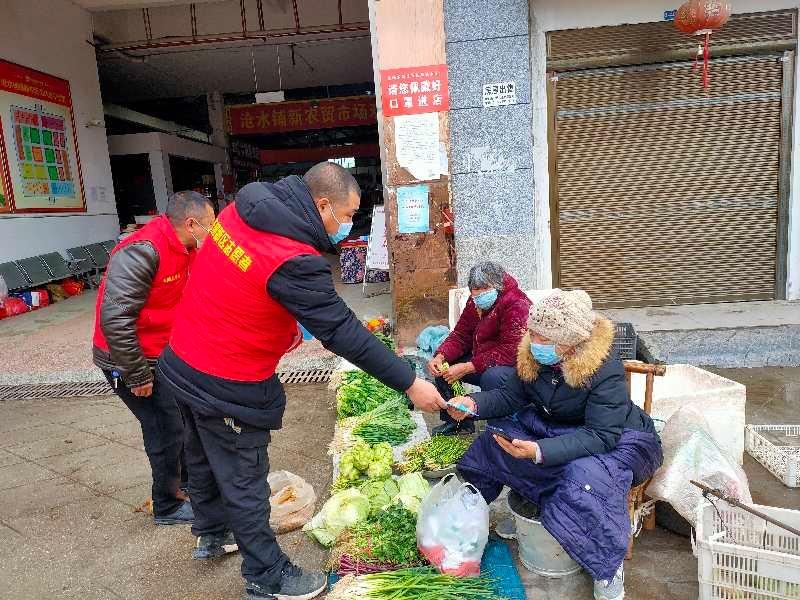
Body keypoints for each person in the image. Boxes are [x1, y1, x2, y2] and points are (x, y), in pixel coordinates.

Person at [158, 162, 447, 600]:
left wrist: (278, 316)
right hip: (226, 378)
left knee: (200, 457)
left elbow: (240, 277)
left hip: (183, 358)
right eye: (347, 215)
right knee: (244, 480)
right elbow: (343, 332)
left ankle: (211, 533)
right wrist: (409, 382)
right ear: (322, 204)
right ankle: (266, 576)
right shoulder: (292, 258)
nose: (348, 227)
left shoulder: (243, 207)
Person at [448, 289, 662, 600]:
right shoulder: (532, 356)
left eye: (540, 336)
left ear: (568, 342)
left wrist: (539, 452)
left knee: (585, 479)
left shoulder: (603, 368)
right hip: (558, 427)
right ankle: (496, 518)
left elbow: (602, 435)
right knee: (495, 441)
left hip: (619, 439)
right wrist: (473, 403)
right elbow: (510, 397)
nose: (532, 340)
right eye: (531, 333)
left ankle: (607, 566)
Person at [92, 190, 215, 526]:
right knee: (164, 428)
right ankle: (167, 505)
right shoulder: (143, 251)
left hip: (162, 353)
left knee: (183, 419)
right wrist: (137, 376)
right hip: (126, 360)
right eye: (210, 225)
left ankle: (188, 486)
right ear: (191, 224)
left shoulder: (187, 248)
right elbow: (115, 320)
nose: (213, 231)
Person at [427, 261, 531, 435]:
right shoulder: (476, 302)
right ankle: (460, 422)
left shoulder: (516, 303)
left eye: (484, 290)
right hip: (483, 359)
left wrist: (470, 367)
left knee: (492, 377)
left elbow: (512, 350)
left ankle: (501, 427)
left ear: (497, 286)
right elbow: (461, 334)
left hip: (513, 367)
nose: (479, 296)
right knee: (444, 368)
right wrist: (441, 356)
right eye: (475, 292)